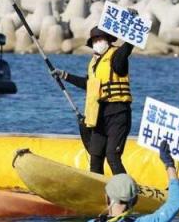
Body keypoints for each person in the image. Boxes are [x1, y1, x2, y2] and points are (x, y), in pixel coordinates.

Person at [56, 27, 135, 175]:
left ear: (108, 40)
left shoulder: (117, 57)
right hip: (98, 116)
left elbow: (128, 46)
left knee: (112, 156)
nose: (97, 43)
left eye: (100, 39)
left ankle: (127, 191)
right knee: (96, 157)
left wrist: (133, 23)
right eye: (94, 41)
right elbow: (89, 85)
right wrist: (65, 75)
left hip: (118, 114)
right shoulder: (93, 63)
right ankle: (98, 192)